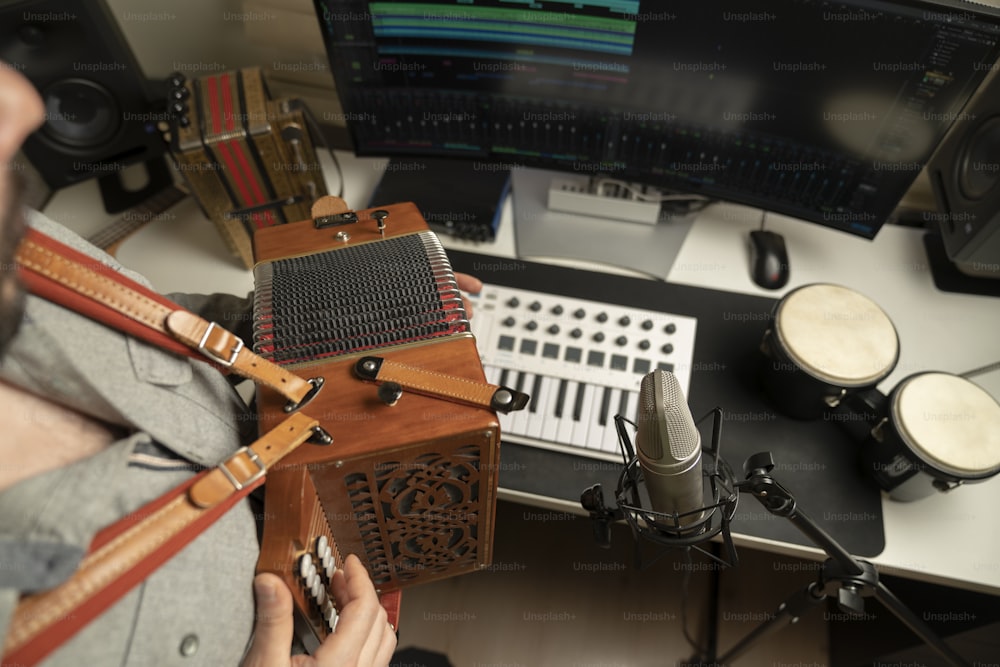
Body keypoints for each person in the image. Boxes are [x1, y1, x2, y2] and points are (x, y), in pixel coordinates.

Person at [0, 62, 481, 666]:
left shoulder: (16, 247)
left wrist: (347, 303)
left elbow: (160, 327)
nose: (20, 100)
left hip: (342, 553)